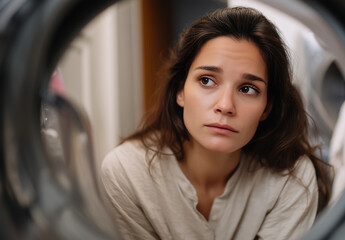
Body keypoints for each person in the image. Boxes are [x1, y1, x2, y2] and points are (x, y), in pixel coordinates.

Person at [101, 7, 331, 240]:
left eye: (247, 89)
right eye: (207, 80)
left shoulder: (292, 178)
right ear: (180, 91)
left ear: (267, 108)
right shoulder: (126, 172)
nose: (225, 105)